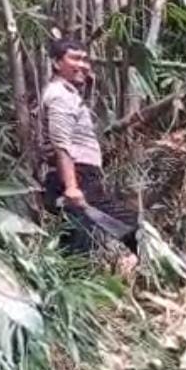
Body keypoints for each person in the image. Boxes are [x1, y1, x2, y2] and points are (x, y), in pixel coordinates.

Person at [41, 37, 138, 277]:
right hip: (76, 177)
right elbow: (61, 144)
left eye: (85, 59)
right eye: (75, 58)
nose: (83, 64)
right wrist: (72, 187)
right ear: (56, 63)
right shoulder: (59, 96)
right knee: (133, 226)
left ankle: (66, 294)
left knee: (77, 241)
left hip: (79, 175)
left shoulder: (68, 94)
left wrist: (89, 86)